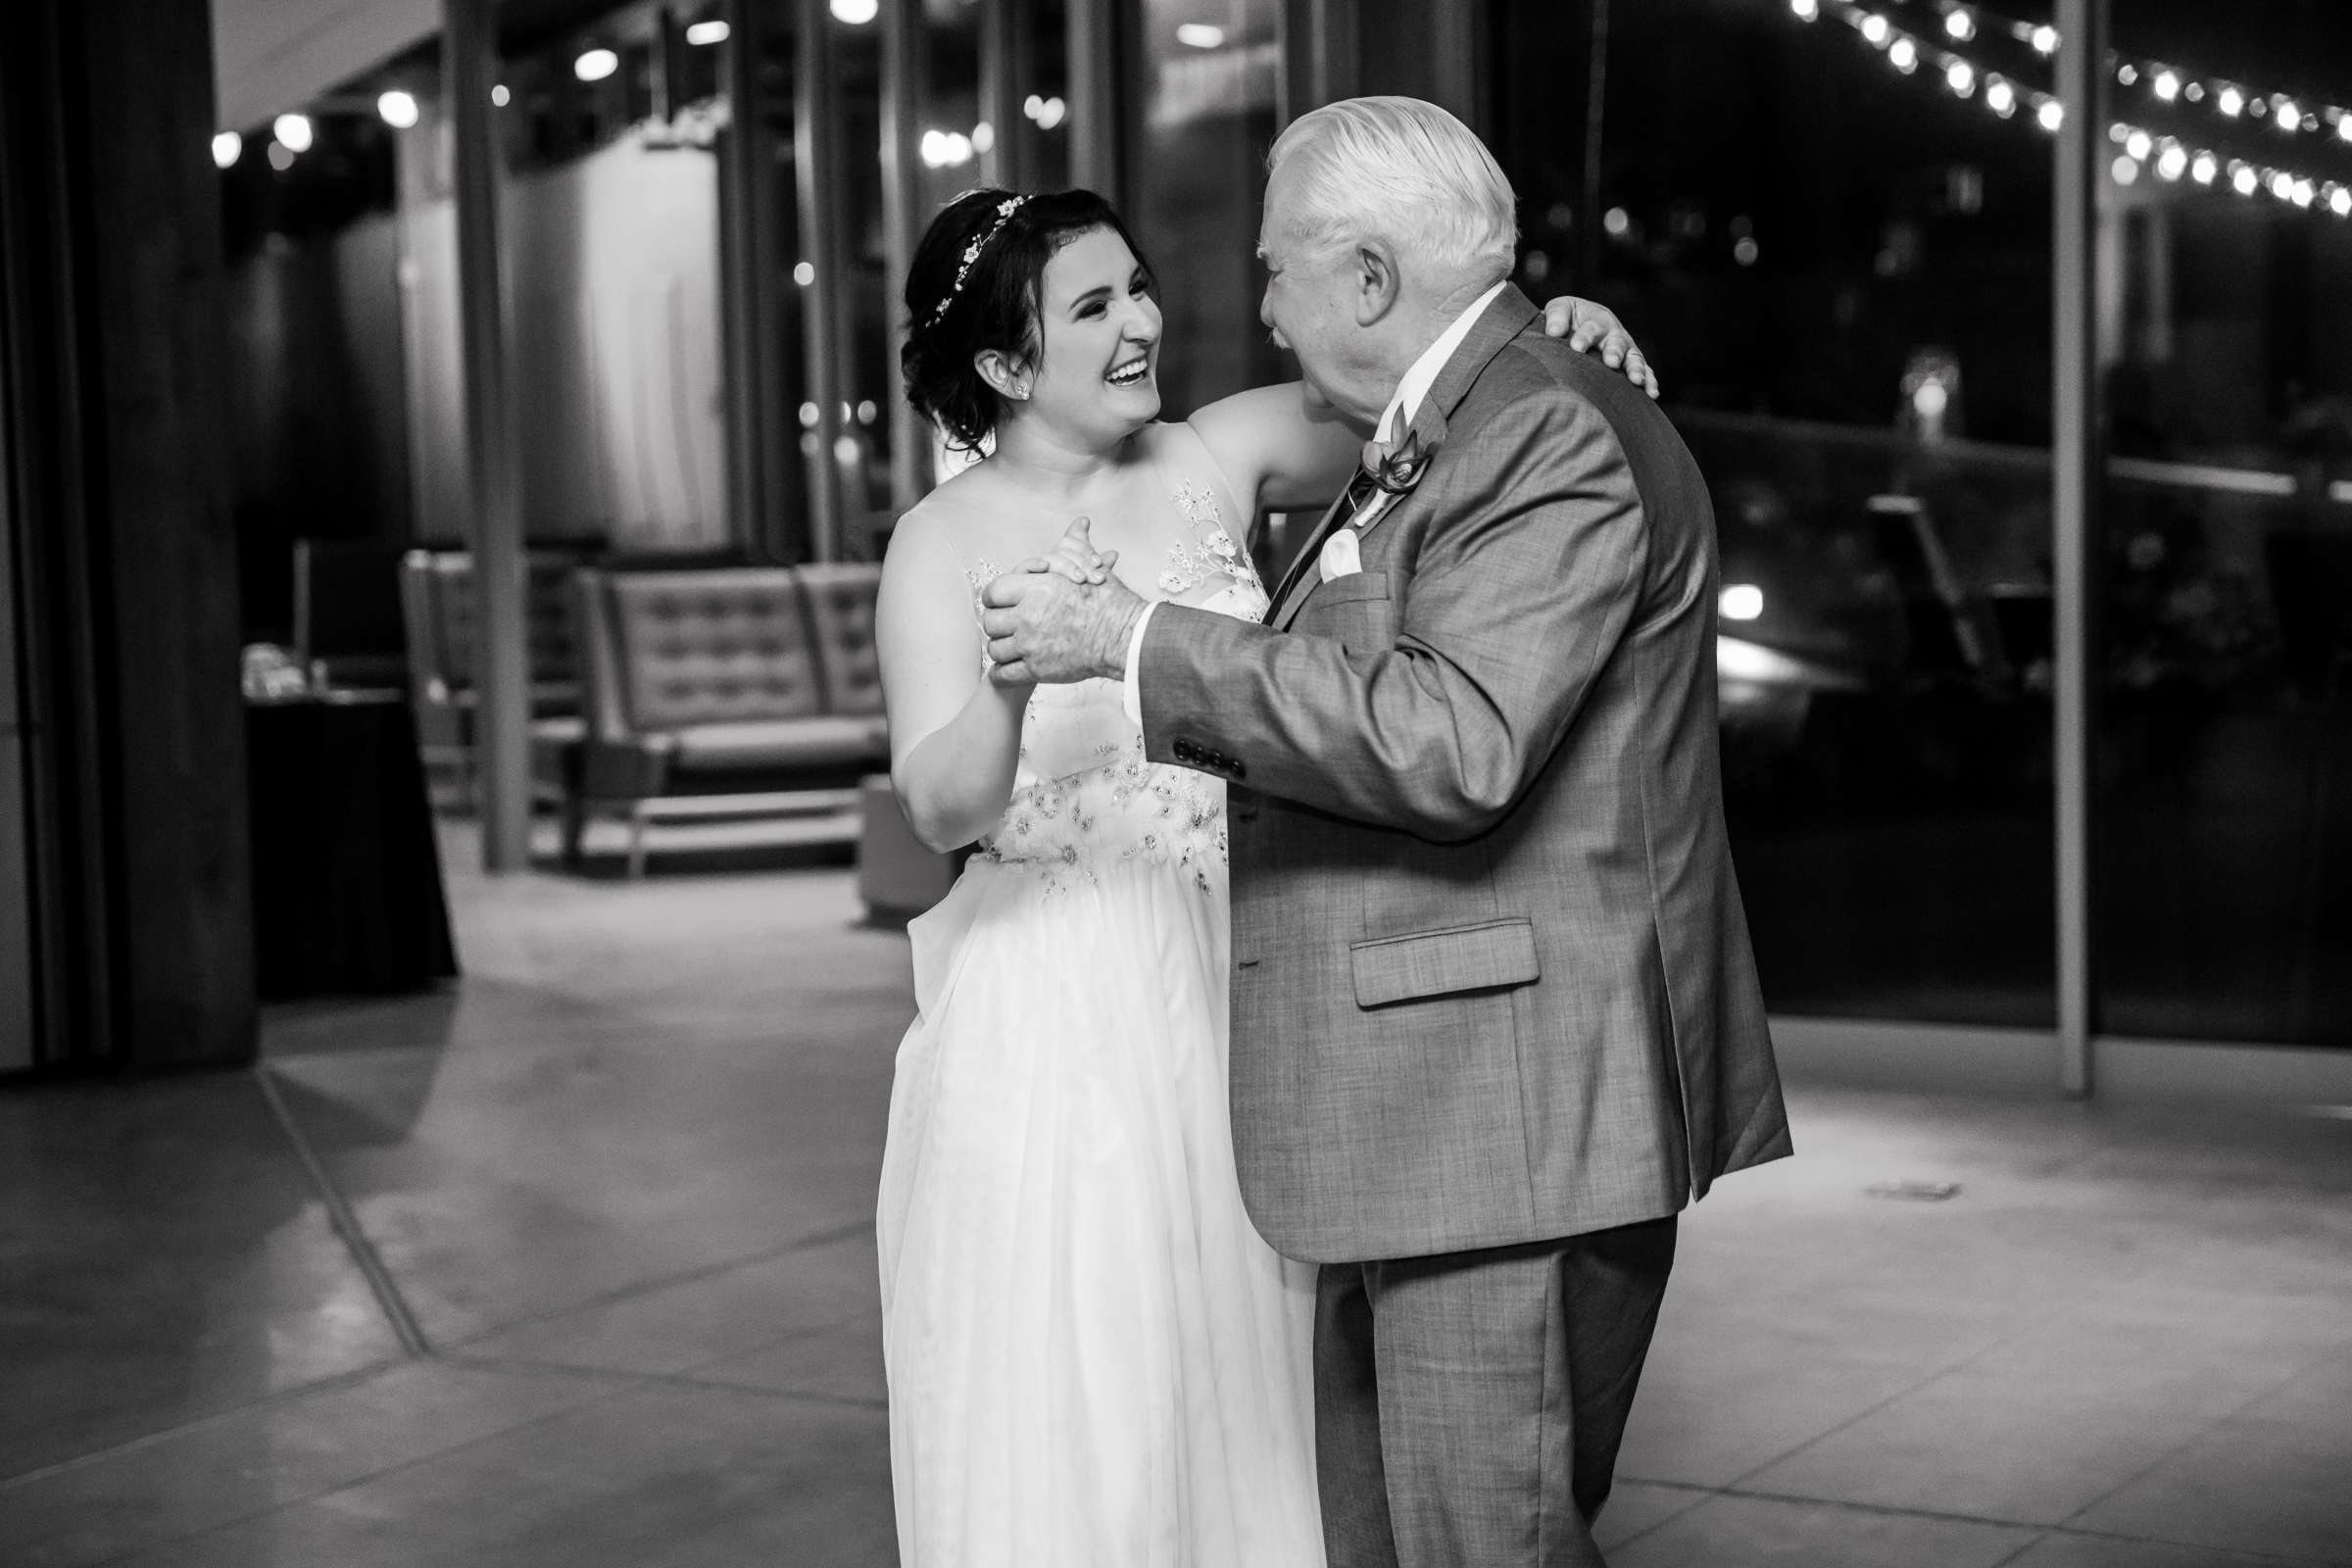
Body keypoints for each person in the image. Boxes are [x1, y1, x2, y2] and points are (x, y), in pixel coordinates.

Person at [978, 99, 1792, 1567]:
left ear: (1365, 277)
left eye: (1278, 267)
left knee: (1485, 1544)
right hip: (1431, 1116)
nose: (1260, 305)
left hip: (1508, 1121)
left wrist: (1133, 642)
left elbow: (1451, 739)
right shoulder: (1457, 415)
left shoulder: (1537, 427)